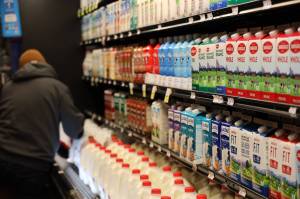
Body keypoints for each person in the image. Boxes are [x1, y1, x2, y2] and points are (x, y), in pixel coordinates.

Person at [0, 49, 85, 199]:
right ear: (45, 64)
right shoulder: (57, 88)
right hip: (33, 166)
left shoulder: (8, 88)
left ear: (21, 68)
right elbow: (73, 129)